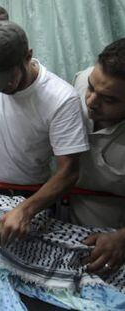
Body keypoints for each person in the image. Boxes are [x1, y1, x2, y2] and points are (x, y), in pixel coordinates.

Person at [0, 21, 89, 245]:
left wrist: (26, 210)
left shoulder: (61, 100)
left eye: (5, 79)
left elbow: (69, 172)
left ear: (28, 57)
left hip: (30, 195)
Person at [65, 38, 125, 275]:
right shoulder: (83, 80)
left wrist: (121, 238)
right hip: (68, 217)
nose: (90, 101)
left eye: (109, 100)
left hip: (113, 235)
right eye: (91, 88)